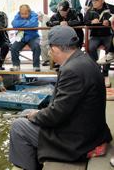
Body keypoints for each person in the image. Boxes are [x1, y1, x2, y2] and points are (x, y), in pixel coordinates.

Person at [9, 26, 112, 170]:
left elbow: (56, 115)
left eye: (49, 49)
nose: (49, 53)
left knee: (18, 127)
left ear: (55, 49)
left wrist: (35, 116)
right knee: (26, 112)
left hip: (78, 140)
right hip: (90, 130)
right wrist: (37, 114)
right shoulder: (85, 60)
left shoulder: (72, 70)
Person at [84, 0, 113, 86]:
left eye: (96, 0)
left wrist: (109, 22)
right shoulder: (90, 10)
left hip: (108, 35)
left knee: (110, 49)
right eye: (93, 0)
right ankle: (96, 70)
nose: (94, 2)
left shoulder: (111, 8)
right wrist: (91, 22)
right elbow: (84, 21)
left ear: (102, 0)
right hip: (95, 36)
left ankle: (105, 73)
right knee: (89, 47)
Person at [11, 4, 41, 72]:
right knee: (13, 48)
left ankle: (36, 66)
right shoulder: (17, 15)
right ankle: (16, 65)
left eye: (25, 13)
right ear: (19, 12)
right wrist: (27, 23)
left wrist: (20, 24)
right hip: (21, 37)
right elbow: (14, 24)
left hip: (33, 36)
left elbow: (33, 24)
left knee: (36, 47)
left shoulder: (34, 14)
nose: (23, 15)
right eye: (22, 14)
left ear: (29, 12)